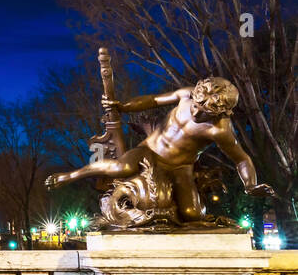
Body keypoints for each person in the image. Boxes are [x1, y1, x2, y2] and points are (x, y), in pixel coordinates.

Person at [45, 77, 276, 224]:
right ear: (195, 95)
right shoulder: (186, 95)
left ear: (221, 113)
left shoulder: (220, 130)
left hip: (180, 167)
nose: (196, 113)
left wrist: (250, 185)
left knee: (192, 215)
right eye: (196, 106)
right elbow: (154, 100)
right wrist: (123, 107)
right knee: (122, 167)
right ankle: (71, 175)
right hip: (149, 151)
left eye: (205, 113)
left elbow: (241, 159)